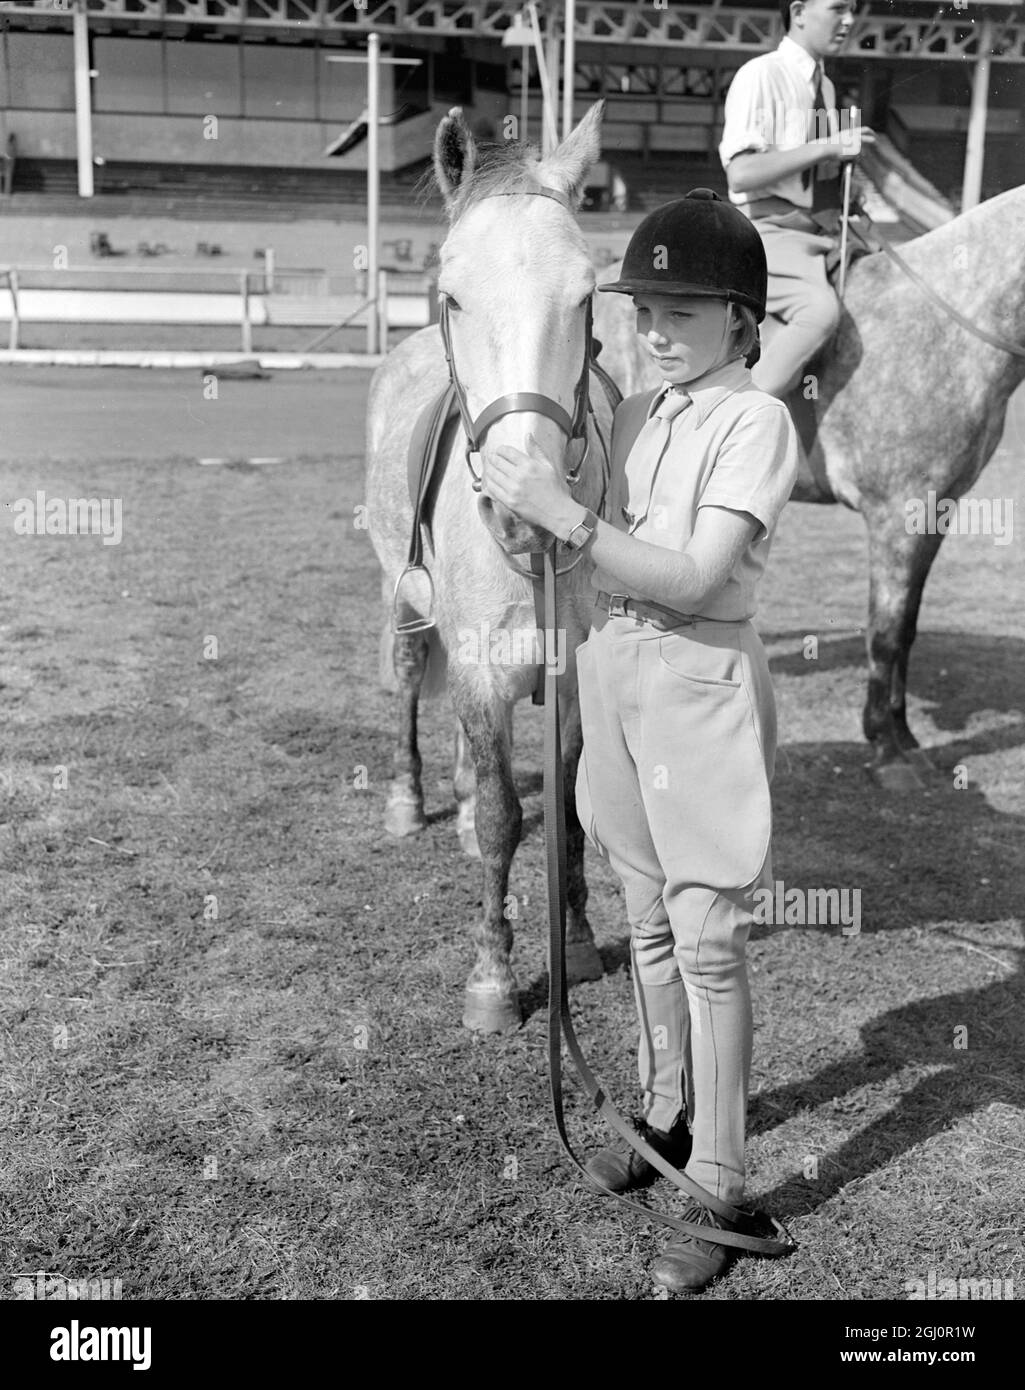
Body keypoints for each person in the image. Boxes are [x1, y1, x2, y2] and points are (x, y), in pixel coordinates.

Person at [484, 190, 799, 1293]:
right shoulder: (631, 416)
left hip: (698, 677)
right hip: (614, 670)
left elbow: (695, 576)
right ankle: (665, 1109)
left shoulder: (753, 420)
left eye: (682, 309)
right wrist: (525, 504)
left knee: (706, 938)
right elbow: (583, 548)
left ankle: (716, 1181)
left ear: (741, 321)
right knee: (643, 920)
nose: (652, 330)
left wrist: (566, 515)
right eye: (640, 309)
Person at [719, 0, 876, 398]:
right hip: (768, 230)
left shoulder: (824, 85)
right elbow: (741, 172)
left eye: (852, 10)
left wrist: (845, 188)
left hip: (821, 230)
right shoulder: (761, 73)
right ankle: (737, 414)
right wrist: (827, 147)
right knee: (819, 312)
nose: (849, 20)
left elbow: (806, 170)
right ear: (799, 11)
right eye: (838, 8)